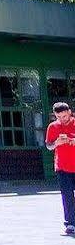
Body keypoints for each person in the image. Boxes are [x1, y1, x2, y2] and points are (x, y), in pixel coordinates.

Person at [48, 101, 75, 237]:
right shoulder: (52, 127)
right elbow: (48, 146)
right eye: (59, 117)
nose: (62, 119)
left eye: (64, 116)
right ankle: (70, 223)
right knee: (67, 195)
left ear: (69, 112)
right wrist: (56, 143)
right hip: (62, 166)